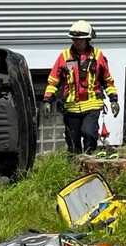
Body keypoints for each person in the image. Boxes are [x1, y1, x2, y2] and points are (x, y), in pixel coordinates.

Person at [42, 20, 119, 155]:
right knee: (73, 142)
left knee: (89, 133)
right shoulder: (64, 56)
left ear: (88, 39)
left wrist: (113, 100)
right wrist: (47, 101)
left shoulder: (98, 56)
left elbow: (107, 80)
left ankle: (90, 162)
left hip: (92, 105)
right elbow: (53, 81)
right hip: (71, 107)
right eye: (74, 39)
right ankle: (74, 167)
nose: (77, 42)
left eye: (80, 39)